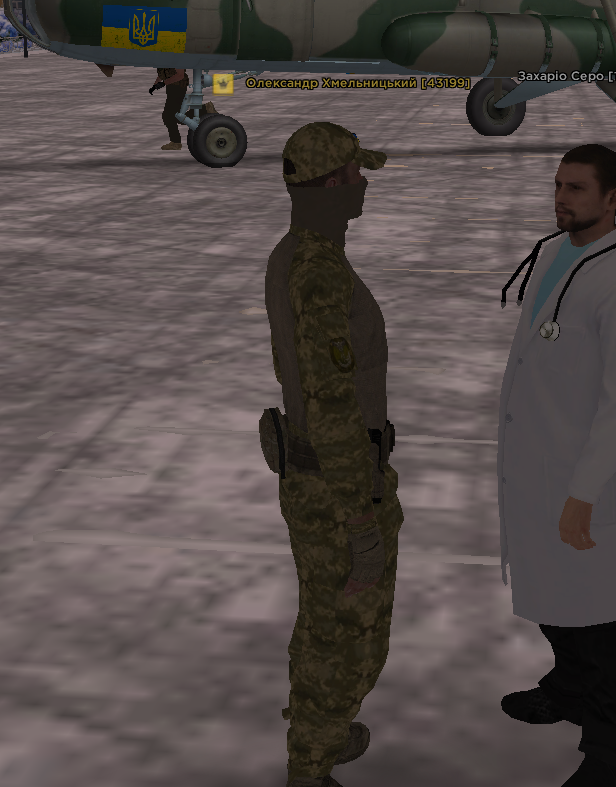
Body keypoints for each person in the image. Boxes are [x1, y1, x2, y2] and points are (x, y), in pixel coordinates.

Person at [495, 144, 616, 787]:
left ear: (613, 199)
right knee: (551, 599)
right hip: (534, 468)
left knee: (599, 621)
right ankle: (567, 690)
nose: (561, 198)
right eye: (558, 185)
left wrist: (583, 492)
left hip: (577, 479)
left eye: (577, 189)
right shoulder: (556, 252)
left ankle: (611, 751)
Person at [263, 122, 402, 787]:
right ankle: (311, 768)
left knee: (323, 622)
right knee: (348, 638)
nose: (363, 185)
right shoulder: (318, 273)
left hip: (318, 476)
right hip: (339, 486)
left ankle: (318, 736)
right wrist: (360, 516)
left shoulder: (295, 253)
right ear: (331, 185)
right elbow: (331, 405)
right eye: (355, 174)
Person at [153, 67, 216, 151]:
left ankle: (176, 143)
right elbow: (162, 73)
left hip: (178, 86)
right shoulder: (163, 60)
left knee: (168, 116)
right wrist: (155, 84)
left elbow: (180, 75)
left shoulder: (176, 59)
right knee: (175, 116)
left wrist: (163, 83)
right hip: (171, 86)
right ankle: (205, 109)